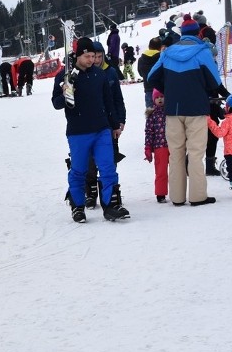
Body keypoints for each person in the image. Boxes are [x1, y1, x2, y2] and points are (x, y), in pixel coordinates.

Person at [147, 14, 222, 206]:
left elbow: (151, 77)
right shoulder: (202, 52)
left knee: (176, 153)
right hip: (196, 109)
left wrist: (170, 90)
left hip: (173, 111)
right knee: (196, 153)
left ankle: (177, 197)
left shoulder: (167, 52)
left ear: (181, 34)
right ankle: (198, 196)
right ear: (198, 33)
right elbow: (215, 82)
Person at [51, 37, 128, 223]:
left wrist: (115, 124)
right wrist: (67, 91)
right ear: (78, 56)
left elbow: (108, 101)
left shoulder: (100, 75)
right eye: (87, 56)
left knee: (108, 167)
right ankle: (77, 206)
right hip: (78, 131)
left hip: (101, 129)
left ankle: (111, 205)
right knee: (78, 170)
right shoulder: (66, 76)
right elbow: (58, 104)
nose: (91, 60)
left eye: (93, 56)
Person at [81, 42, 126, 209]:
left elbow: (117, 99)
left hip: (110, 122)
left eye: (100, 57)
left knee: (110, 160)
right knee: (90, 161)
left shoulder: (110, 72)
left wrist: (121, 120)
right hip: (90, 124)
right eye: (94, 57)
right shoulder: (84, 73)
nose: (97, 60)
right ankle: (90, 192)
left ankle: (112, 192)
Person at [144, 88, 169, 203]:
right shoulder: (152, 115)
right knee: (161, 171)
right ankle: (160, 193)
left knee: (175, 170)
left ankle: (176, 191)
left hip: (173, 145)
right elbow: (149, 132)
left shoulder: (170, 112)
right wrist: (148, 148)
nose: (160, 99)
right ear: (153, 99)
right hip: (160, 147)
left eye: (162, 97)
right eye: (157, 97)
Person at [137, 37, 162, 111]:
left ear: (149, 46)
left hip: (148, 89)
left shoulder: (141, 59)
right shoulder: (161, 57)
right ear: (160, 47)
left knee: (150, 114)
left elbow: (140, 73)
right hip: (161, 90)